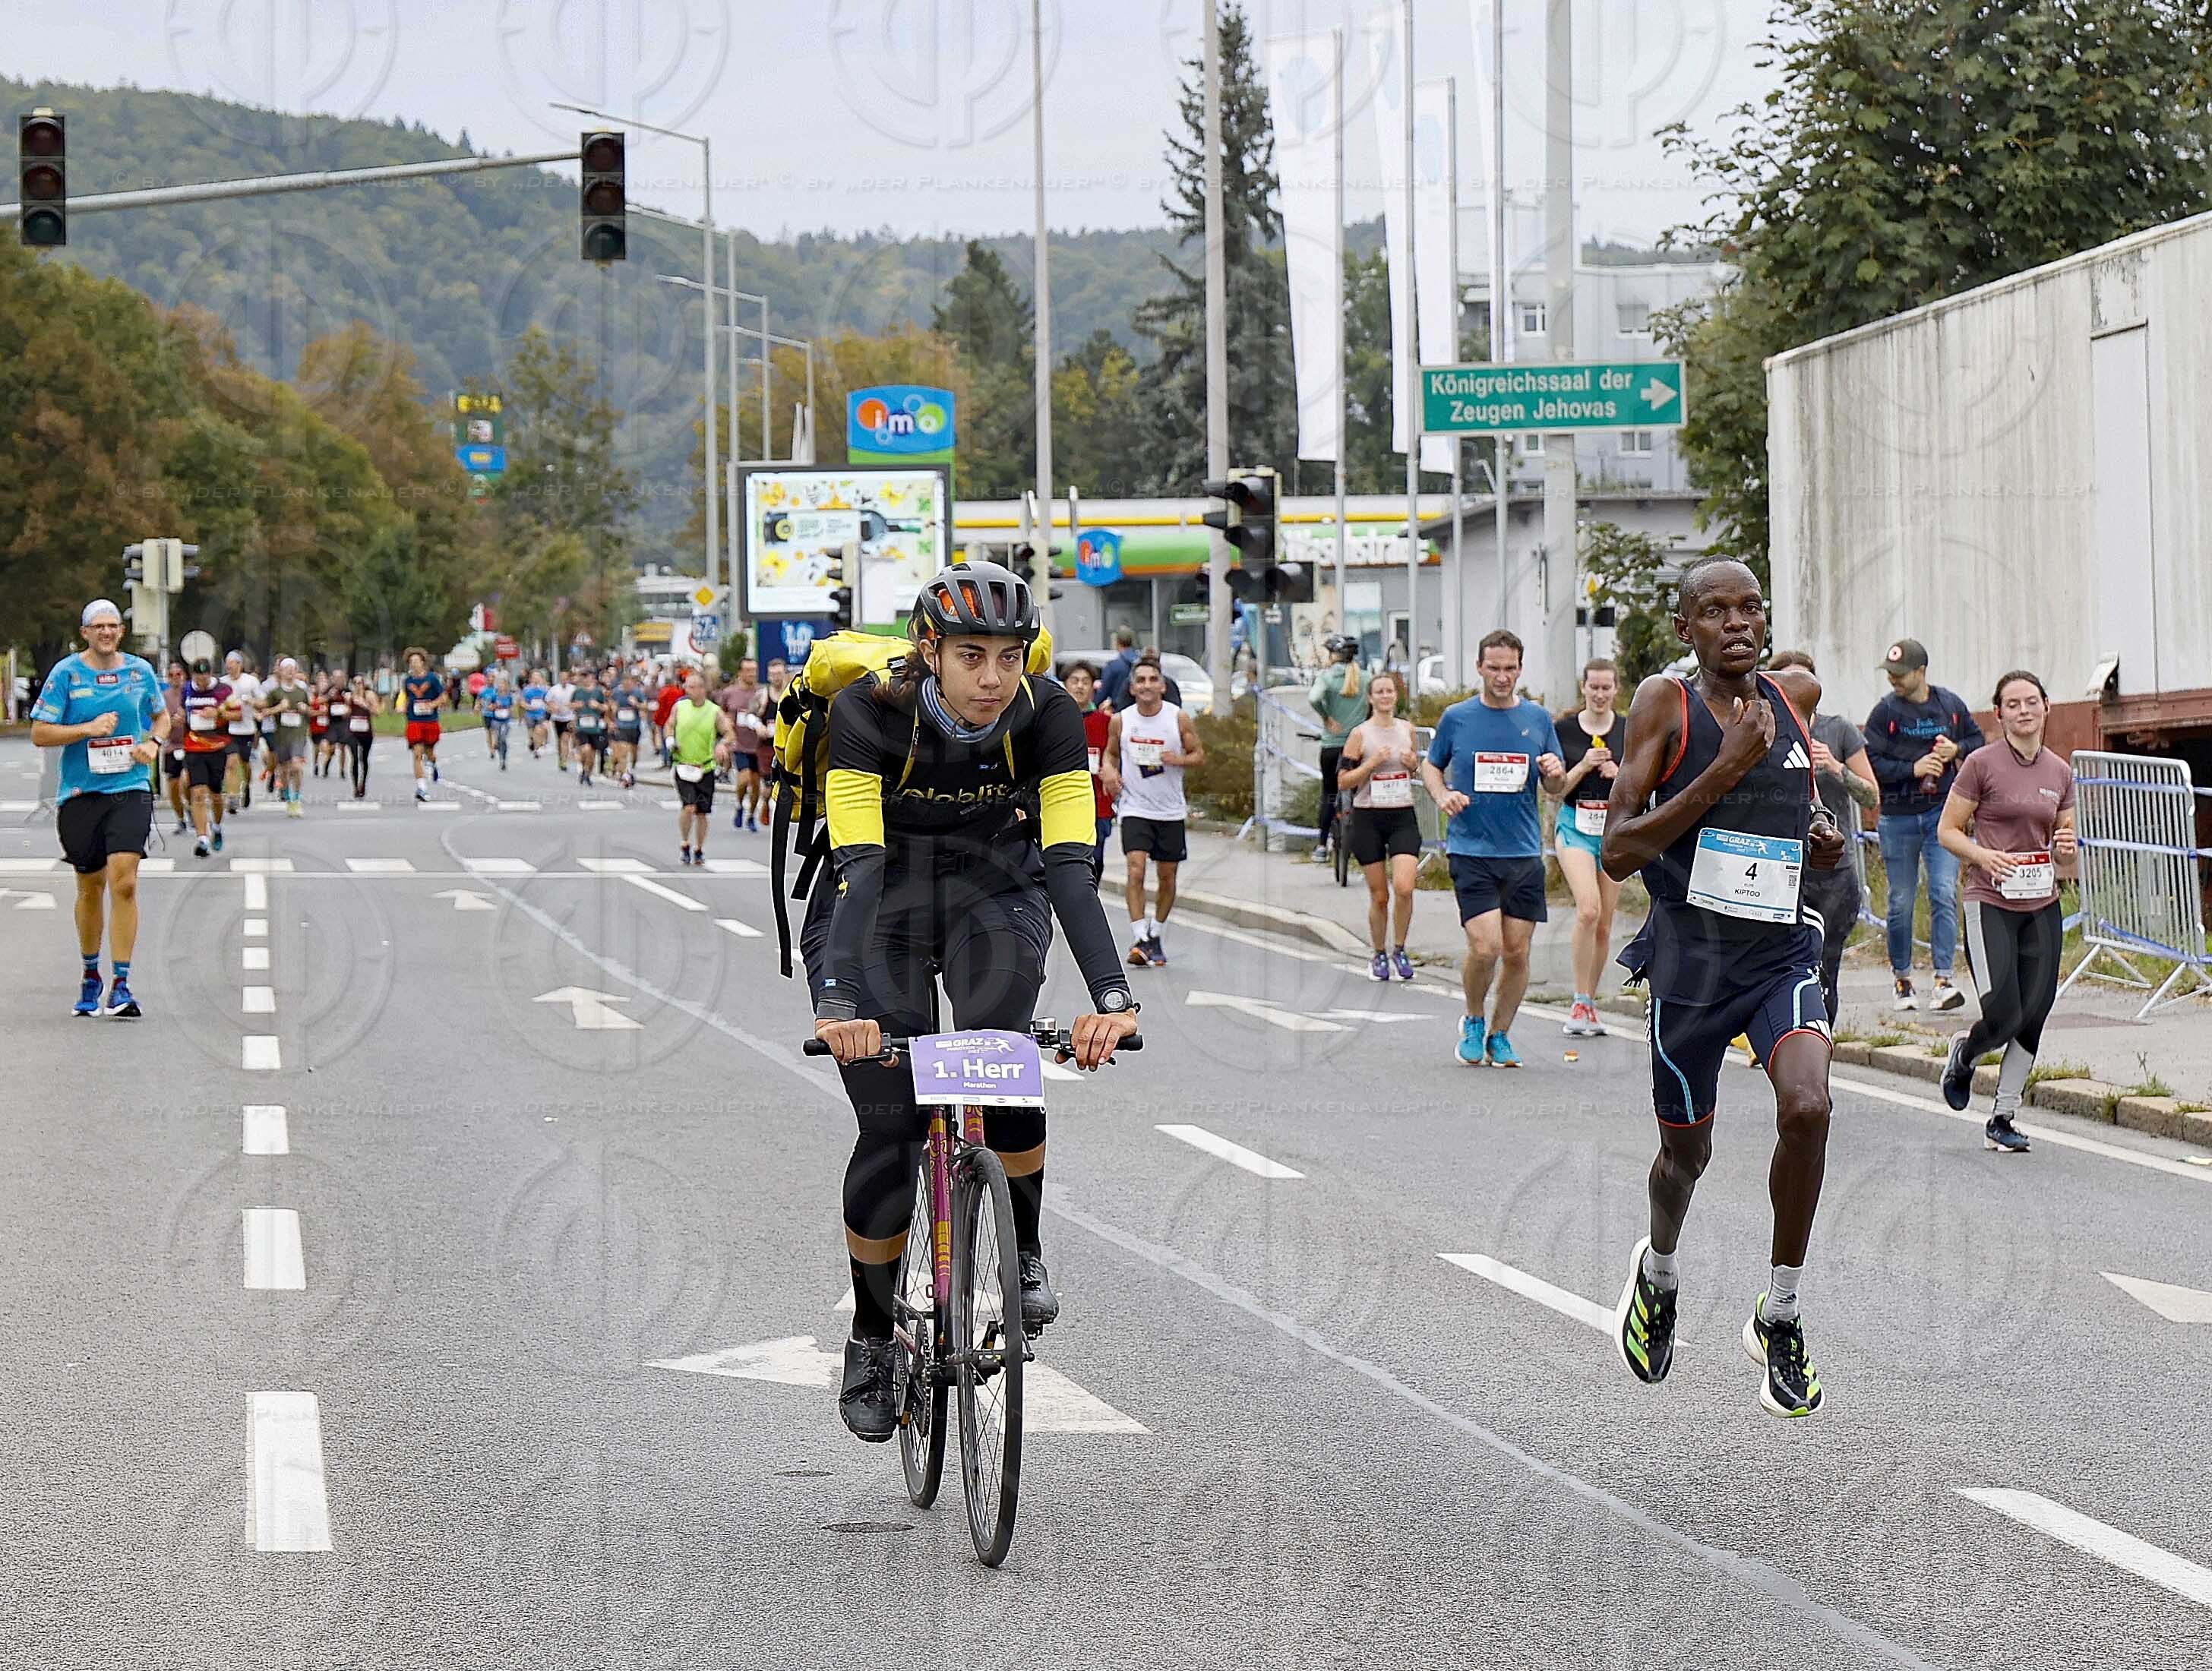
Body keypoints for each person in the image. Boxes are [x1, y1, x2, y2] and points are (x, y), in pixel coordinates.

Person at [806, 560, 1139, 1442]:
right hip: (876, 904)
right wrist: (840, 1001)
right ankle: (872, 1338)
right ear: (930, 651)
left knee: (1001, 1056)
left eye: (1008, 655)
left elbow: (1069, 864)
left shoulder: (1048, 714)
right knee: (890, 1121)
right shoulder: (866, 713)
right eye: (969, 656)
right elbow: (861, 868)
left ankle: (1019, 1249)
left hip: (996, 894)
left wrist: (1112, 994)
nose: (992, 678)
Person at [1601, 559, 1847, 1420]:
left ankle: (1778, 1313)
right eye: (1714, 611)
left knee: (1808, 1107)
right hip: (1690, 967)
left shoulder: (1795, 696)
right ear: (1684, 630)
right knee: (1685, 1157)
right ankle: (1658, 1272)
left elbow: (1800, 813)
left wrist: (1817, 838)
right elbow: (1617, 849)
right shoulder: (1658, 707)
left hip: (1778, 955)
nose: (1736, 622)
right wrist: (1720, 772)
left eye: (1749, 607)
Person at [1938, 670, 2076, 1155]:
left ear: (2046, 708)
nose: (2023, 711)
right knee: (2004, 1013)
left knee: (2035, 1014)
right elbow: (1948, 831)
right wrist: (1982, 856)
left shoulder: (2059, 771)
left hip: (2042, 903)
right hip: (1990, 901)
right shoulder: (1981, 764)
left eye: (2031, 702)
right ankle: (1966, 1053)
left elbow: (2068, 854)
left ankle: (2003, 1115)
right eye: (2012, 704)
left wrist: (2066, 845)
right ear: (1999, 714)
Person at [1419, 630, 1566, 1069]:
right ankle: (1474, 1019)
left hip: (1522, 853)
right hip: (1471, 848)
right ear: (1480, 668)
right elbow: (1430, 764)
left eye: (1510, 669)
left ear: (1520, 670)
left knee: (1518, 952)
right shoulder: (1457, 718)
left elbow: (1555, 787)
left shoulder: (1538, 720)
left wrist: (1556, 771)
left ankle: (1501, 1034)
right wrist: (1442, 794)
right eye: (1494, 668)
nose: (1502, 677)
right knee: (1486, 948)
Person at [30, 600, 167, 1018]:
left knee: (124, 881)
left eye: (113, 626)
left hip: (130, 787)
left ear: (121, 632)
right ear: (85, 632)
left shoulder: (139, 672)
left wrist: (153, 743)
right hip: (80, 794)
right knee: (90, 887)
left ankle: (122, 983)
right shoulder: (67, 673)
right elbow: (39, 733)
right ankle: (91, 974)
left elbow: (162, 718)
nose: (107, 633)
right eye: (99, 627)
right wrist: (86, 729)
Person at [1863, 638, 1983, 1012]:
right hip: (1898, 817)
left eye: (1900, 674)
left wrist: (1956, 751)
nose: (1894, 681)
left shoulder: (1949, 705)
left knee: (1944, 892)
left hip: (1941, 816)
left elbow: (1978, 741)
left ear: (1921, 672)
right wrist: (1911, 770)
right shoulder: (1884, 713)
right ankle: (1902, 978)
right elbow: (1872, 763)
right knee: (1901, 900)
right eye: (1890, 674)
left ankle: (1944, 979)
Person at [1768, 651, 1879, 1024]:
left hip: (1833, 870)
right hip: (1781, 867)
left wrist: (1836, 767)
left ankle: (1818, 1042)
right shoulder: (1765, 728)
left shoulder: (1838, 730)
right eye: (1787, 682)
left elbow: (1871, 795)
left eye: (1804, 682)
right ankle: (1779, 1034)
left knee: (1825, 965)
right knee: (1783, 964)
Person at [1101, 655, 1204, 968]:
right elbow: (1111, 754)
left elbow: (1198, 755)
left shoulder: (1178, 718)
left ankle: (1155, 932)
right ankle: (1140, 937)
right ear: (1132, 688)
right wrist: (1108, 773)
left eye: (1152, 680)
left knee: (1167, 877)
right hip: (1135, 807)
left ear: (1162, 686)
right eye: (1141, 681)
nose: (1147, 686)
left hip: (1170, 810)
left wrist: (1178, 759)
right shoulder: (1122, 720)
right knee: (1135, 869)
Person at [1549, 659, 1626, 1038]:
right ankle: (1578, 999)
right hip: (1575, 826)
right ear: (1584, 689)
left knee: (1605, 923)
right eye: (1593, 688)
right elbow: (1554, 790)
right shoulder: (1563, 730)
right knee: (1588, 910)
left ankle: (1590, 1003)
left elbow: (1642, 789)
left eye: (1606, 688)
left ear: (1616, 690)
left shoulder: (1628, 730)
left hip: (1613, 832)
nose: (1599, 695)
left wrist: (1619, 775)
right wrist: (1583, 766)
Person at [1338, 670, 1421, 981]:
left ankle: (1400, 948)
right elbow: (1343, 780)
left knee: (1404, 887)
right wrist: (1371, 764)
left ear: (1396, 697)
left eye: (1390, 692)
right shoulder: (1360, 734)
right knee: (1380, 895)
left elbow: (1414, 770)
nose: (1386, 697)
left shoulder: (1407, 730)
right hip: (1369, 816)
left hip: (1402, 814)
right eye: (1380, 692)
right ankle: (1378, 953)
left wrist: (1412, 764)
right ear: (1371, 699)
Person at [1309, 635, 1368, 866]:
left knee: (1330, 792)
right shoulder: (1365, 677)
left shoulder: (1327, 677)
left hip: (1332, 746)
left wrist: (1326, 717)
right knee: (1360, 792)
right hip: (1358, 748)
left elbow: (1314, 697)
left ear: (1335, 655)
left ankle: (1322, 846)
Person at [669, 667, 736, 866]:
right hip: (683, 765)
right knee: (689, 807)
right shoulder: (679, 707)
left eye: (691, 687)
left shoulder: (713, 711)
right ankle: (684, 842)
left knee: (702, 812)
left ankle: (699, 848)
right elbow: (669, 725)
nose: (687, 690)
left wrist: (723, 745)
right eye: (686, 687)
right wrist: (670, 741)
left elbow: (729, 733)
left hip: (705, 767)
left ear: (701, 689)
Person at [1060, 660, 1114, 877]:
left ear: (1094, 686)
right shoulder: (1054, 720)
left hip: (1097, 801)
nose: (1080, 686)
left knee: (1096, 859)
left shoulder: (1106, 722)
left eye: (1085, 681)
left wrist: (1111, 768)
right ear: (1065, 685)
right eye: (1074, 681)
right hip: (1062, 801)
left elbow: (1115, 755)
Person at [179, 655, 236, 856]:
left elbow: (237, 714)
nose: (201, 683)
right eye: (197, 678)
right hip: (194, 747)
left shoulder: (223, 690)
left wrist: (218, 714)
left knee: (216, 794)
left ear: (210, 674)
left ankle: (217, 827)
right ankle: (202, 839)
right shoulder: (187, 689)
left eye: (204, 678)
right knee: (198, 792)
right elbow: (183, 711)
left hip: (217, 746)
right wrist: (178, 717)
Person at [263, 657, 312, 817]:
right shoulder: (275, 693)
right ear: (281, 672)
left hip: (298, 734)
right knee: (284, 771)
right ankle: (288, 796)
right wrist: (279, 708)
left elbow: (311, 712)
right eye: (287, 669)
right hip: (281, 736)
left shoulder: (301, 692)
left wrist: (305, 709)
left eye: (293, 669)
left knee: (297, 766)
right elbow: (265, 712)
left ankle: (296, 799)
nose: (290, 672)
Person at [400, 648, 444, 803]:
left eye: (416, 661)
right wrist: (403, 707)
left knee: (429, 752)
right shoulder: (407, 681)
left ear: (423, 663)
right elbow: (407, 698)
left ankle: (433, 764)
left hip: (430, 720)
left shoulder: (432, 679)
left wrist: (432, 704)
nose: (414, 664)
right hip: (414, 721)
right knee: (417, 753)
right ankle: (422, 788)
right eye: (411, 662)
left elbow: (443, 697)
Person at [222, 650, 261, 813]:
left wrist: (251, 701)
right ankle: (232, 798)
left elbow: (262, 701)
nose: (230, 669)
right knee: (231, 763)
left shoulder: (250, 681)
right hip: (228, 729)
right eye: (228, 666)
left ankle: (247, 787)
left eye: (233, 665)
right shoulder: (222, 683)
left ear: (240, 665)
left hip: (247, 729)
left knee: (245, 764)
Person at [160, 659, 190, 832]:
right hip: (172, 746)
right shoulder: (164, 697)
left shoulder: (191, 693)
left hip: (190, 745)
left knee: (186, 781)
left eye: (178, 674)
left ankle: (193, 808)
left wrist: (186, 719)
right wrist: (169, 723)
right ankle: (180, 818)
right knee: (173, 785)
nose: (175, 678)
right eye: (171, 675)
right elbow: (157, 720)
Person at [341, 674, 379, 798]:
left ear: (363, 684)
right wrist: (346, 711)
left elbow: (377, 712)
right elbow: (345, 714)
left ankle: (363, 784)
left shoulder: (369, 696)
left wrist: (366, 705)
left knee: (364, 759)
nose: (358, 686)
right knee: (355, 758)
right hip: (353, 731)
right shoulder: (349, 696)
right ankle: (355, 787)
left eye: (360, 683)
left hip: (366, 731)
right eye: (355, 683)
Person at [571, 665, 608, 787]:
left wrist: (597, 706)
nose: (586, 679)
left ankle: (587, 774)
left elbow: (606, 708)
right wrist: (576, 706)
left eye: (587, 677)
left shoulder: (598, 692)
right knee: (585, 749)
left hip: (595, 727)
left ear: (592, 677)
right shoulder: (578, 692)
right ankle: (583, 768)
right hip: (581, 726)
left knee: (592, 755)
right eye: (583, 677)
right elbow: (571, 706)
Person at [608, 668, 643, 788]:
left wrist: (637, 704)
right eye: (625, 683)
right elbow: (609, 706)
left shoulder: (638, 693)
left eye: (629, 683)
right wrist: (612, 710)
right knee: (623, 750)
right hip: (621, 726)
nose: (627, 686)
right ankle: (625, 776)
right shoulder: (616, 692)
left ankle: (631, 768)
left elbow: (645, 706)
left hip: (634, 727)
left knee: (633, 753)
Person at [1095, 624, 1139, 712]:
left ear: (1117, 642)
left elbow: (1102, 695)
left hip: (1119, 712)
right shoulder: (1143, 664)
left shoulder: (1113, 666)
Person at [546, 668, 577, 769]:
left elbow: (578, 702)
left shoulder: (573, 689)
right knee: (560, 740)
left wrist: (572, 705)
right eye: (562, 678)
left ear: (568, 679)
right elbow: (548, 701)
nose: (564, 680)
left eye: (566, 678)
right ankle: (561, 757)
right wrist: (553, 707)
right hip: (557, 718)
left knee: (565, 738)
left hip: (569, 717)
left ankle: (564, 761)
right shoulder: (554, 689)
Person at [521, 670, 551, 758]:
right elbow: (522, 702)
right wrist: (529, 707)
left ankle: (537, 750)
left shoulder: (544, 689)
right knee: (531, 733)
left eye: (538, 676)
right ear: (531, 678)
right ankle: (532, 742)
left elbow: (548, 701)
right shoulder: (527, 689)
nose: (536, 678)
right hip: (530, 714)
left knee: (540, 729)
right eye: (535, 676)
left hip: (541, 714)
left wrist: (549, 707)